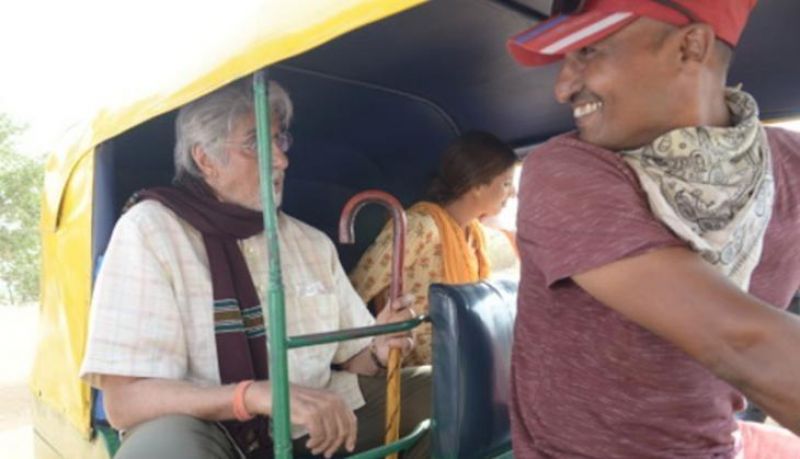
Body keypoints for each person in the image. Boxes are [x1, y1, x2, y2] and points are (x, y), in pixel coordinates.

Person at [506, 0, 800, 457]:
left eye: (587, 51)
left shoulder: (788, 168)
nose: (562, 89)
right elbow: (740, 342)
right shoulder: (565, 171)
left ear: (691, 46)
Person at [79, 80, 431, 459]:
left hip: (312, 423)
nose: (280, 160)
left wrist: (380, 347)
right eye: (255, 143)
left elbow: (354, 358)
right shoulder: (150, 231)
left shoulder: (311, 244)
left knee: (443, 390)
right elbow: (125, 401)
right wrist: (253, 396)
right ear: (206, 159)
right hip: (210, 433)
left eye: (280, 141)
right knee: (163, 449)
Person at [349, 130, 518, 366]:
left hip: (459, 357)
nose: (513, 192)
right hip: (416, 366)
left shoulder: (476, 235)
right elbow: (357, 288)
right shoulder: (420, 227)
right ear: (478, 184)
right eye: (507, 183)